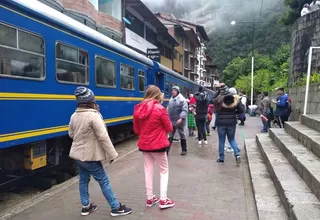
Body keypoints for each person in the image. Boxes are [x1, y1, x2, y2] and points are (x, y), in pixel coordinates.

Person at [68, 87, 132, 217]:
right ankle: (116, 207)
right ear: (91, 100)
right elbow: (103, 136)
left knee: (83, 180)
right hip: (90, 156)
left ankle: (86, 206)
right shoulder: (93, 115)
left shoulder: (74, 115)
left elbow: (71, 134)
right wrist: (112, 154)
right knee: (104, 180)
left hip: (77, 155)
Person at [133, 85, 175, 209]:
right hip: (159, 145)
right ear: (157, 95)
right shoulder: (160, 109)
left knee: (148, 171)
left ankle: (150, 198)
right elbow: (169, 128)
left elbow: (136, 130)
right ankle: (163, 200)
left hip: (145, 145)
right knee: (164, 170)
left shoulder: (137, 108)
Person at [215, 87, 244, 165]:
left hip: (221, 122)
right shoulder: (235, 100)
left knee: (221, 140)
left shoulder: (219, 99)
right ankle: (237, 154)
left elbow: (212, 101)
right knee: (231, 139)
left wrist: (217, 92)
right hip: (231, 123)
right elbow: (241, 110)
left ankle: (221, 159)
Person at [167, 86, 188, 155]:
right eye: (172, 90)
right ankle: (166, 151)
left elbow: (184, 110)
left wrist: (181, 118)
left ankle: (184, 149)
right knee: (170, 135)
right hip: (172, 120)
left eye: (175, 90)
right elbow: (169, 109)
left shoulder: (182, 100)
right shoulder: (171, 99)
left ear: (178, 91)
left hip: (180, 120)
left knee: (182, 134)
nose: (173, 92)